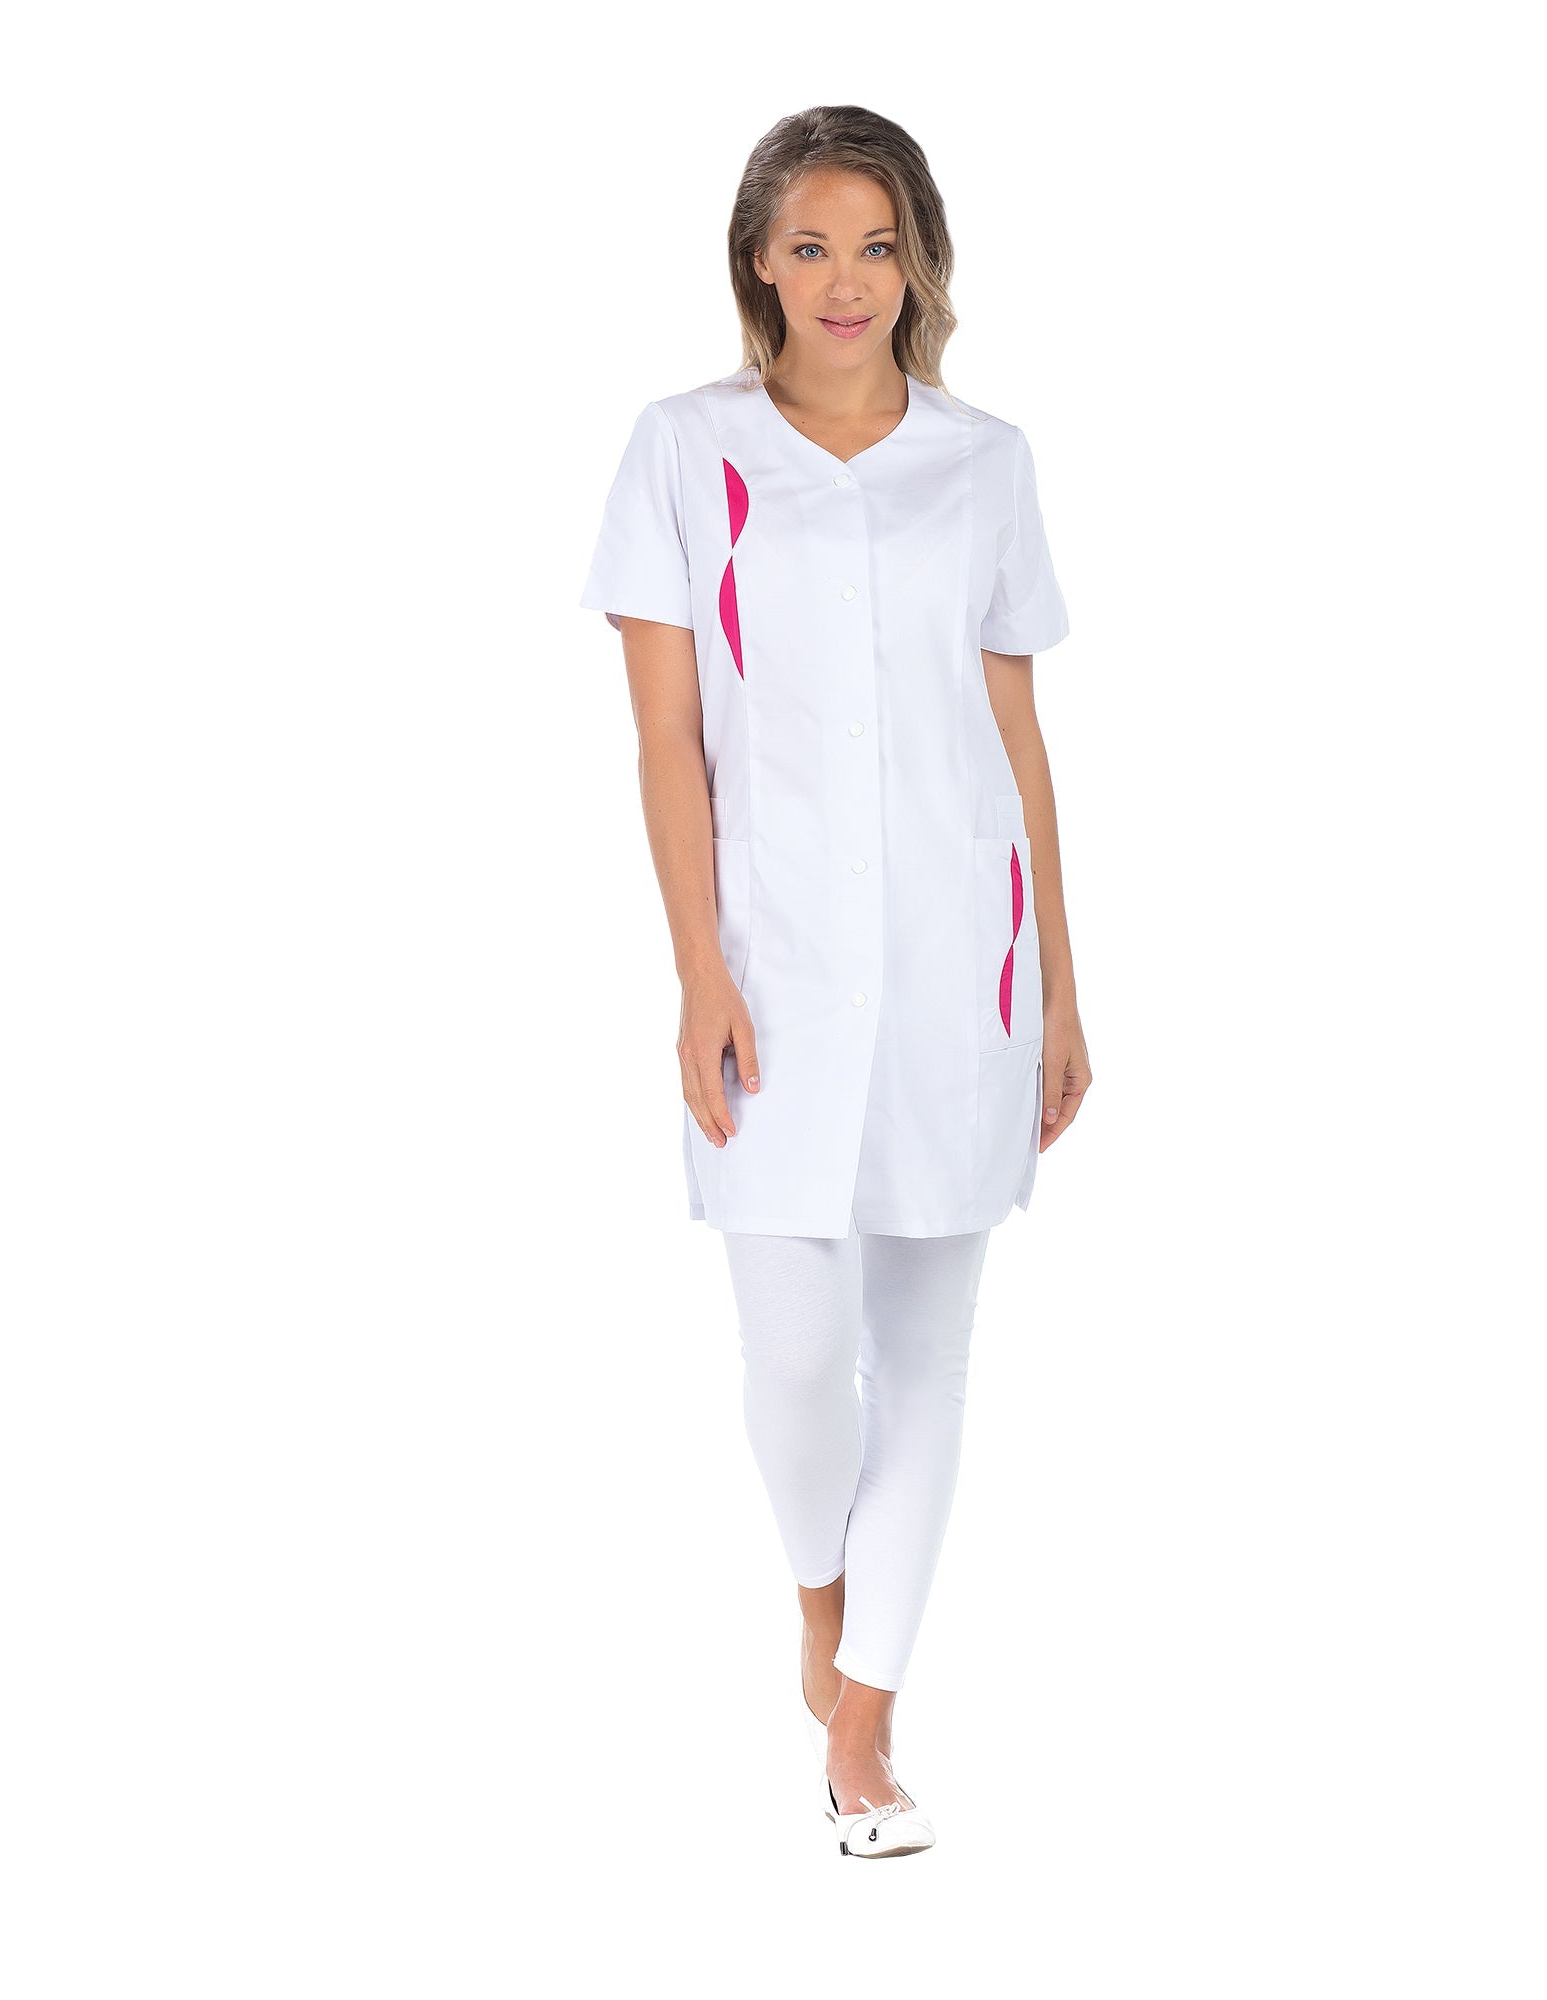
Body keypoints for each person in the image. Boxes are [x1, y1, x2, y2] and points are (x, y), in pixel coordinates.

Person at [578, 105, 1092, 1857]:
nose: (847, 280)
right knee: (797, 1355)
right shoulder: (683, 449)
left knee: (927, 1358)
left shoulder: (987, 462)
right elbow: (667, 743)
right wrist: (696, 972)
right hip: (775, 968)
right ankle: (825, 1602)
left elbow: (1015, 734)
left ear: (920, 261)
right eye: (811, 245)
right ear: (758, 262)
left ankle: (864, 1724)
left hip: (965, 960)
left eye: (878, 245)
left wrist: (1064, 987)